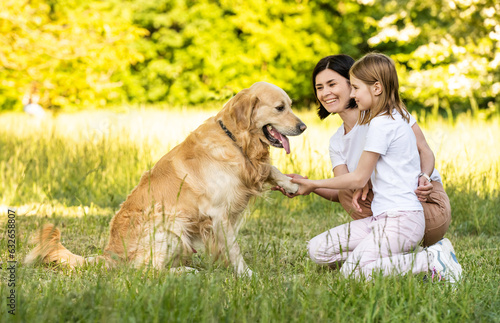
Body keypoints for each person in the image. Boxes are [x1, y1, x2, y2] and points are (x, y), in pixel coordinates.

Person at [289, 53, 462, 282]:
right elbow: (345, 188)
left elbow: (421, 152)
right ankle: (391, 259)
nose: (325, 93)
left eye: (333, 84)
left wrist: (424, 176)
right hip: (382, 214)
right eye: (319, 87)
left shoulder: (386, 119)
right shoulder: (339, 140)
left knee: (352, 272)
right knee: (317, 249)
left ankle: (429, 260)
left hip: (417, 204)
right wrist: (305, 184)